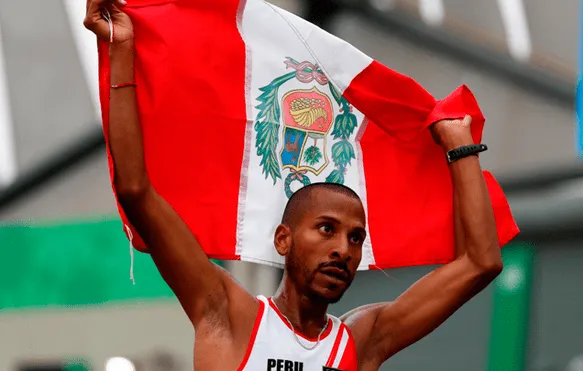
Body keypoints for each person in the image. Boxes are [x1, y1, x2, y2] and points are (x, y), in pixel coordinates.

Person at [84, 1, 504, 370]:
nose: (343, 249)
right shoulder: (227, 315)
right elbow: (136, 190)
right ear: (283, 239)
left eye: (356, 238)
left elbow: (481, 264)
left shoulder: (362, 341)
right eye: (327, 229)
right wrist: (122, 49)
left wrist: (460, 146)